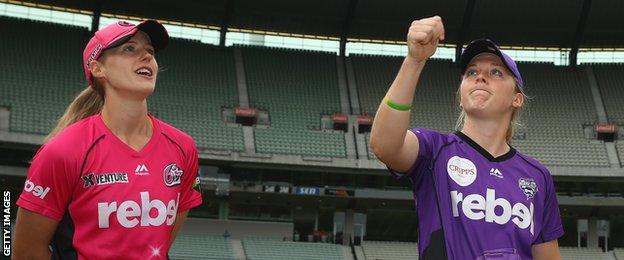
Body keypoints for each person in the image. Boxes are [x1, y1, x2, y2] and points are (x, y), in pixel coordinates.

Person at [370, 16, 563, 260]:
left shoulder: (537, 176)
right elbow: (384, 145)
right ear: (461, 96)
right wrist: (414, 60)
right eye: (471, 72)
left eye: (496, 72)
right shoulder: (435, 150)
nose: (480, 76)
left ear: (517, 99)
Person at [12, 20, 203, 259]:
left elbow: (161, 245)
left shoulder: (183, 147)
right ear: (97, 68)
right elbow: (25, 252)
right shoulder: (63, 150)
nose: (146, 55)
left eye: (150, 51)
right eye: (129, 48)